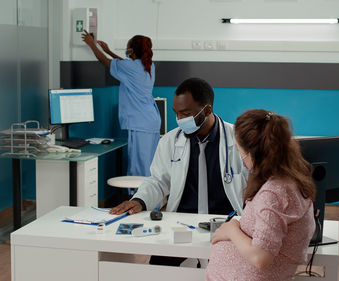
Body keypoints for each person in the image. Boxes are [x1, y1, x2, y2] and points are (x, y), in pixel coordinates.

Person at [110, 77, 249, 266]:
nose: (179, 120)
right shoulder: (169, 141)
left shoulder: (239, 139)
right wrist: (139, 200)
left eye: (185, 114)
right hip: (181, 223)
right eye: (176, 114)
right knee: (159, 268)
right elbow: (158, 181)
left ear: (207, 110)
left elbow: (255, 184)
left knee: (233, 268)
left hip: (226, 223)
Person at [206, 109, 316, 281]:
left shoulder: (274, 192)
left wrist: (231, 230)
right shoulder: (287, 181)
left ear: (250, 154)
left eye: (239, 149)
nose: (240, 156)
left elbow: (260, 257)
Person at [82, 31, 160, 177]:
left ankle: (140, 199)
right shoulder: (149, 66)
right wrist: (108, 51)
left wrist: (91, 43)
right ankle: (151, 199)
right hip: (150, 121)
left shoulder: (131, 67)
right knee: (149, 165)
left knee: (139, 169)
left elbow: (104, 61)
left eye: (127, 47)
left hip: (140, 123)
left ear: (131, 50)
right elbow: (122, 65)